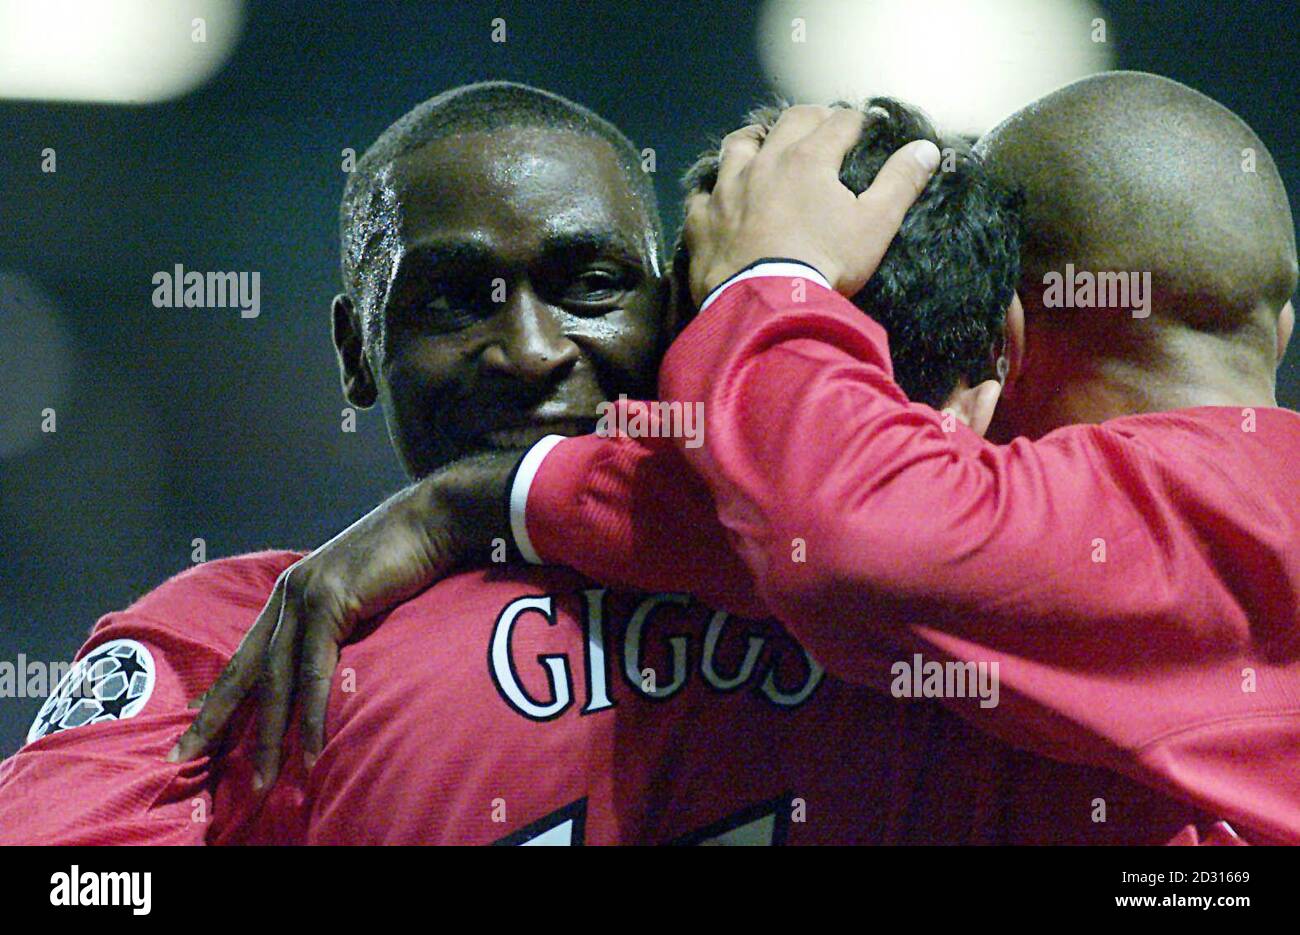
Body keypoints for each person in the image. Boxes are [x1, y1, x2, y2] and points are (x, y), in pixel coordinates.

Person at [200, 72, 1297, 845]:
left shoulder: (261, 662)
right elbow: (773, 531)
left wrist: (769, 280)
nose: (532, 350)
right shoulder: (1054, 718)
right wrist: (488, 499)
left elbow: (847, 530)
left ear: (1015, 338)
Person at [0, 82, 1027, 844]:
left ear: (680, 312)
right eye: (454, 298)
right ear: (358, 351)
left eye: (588, 283)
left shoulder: (897, 554)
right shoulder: (232, 646)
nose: (531, 350)